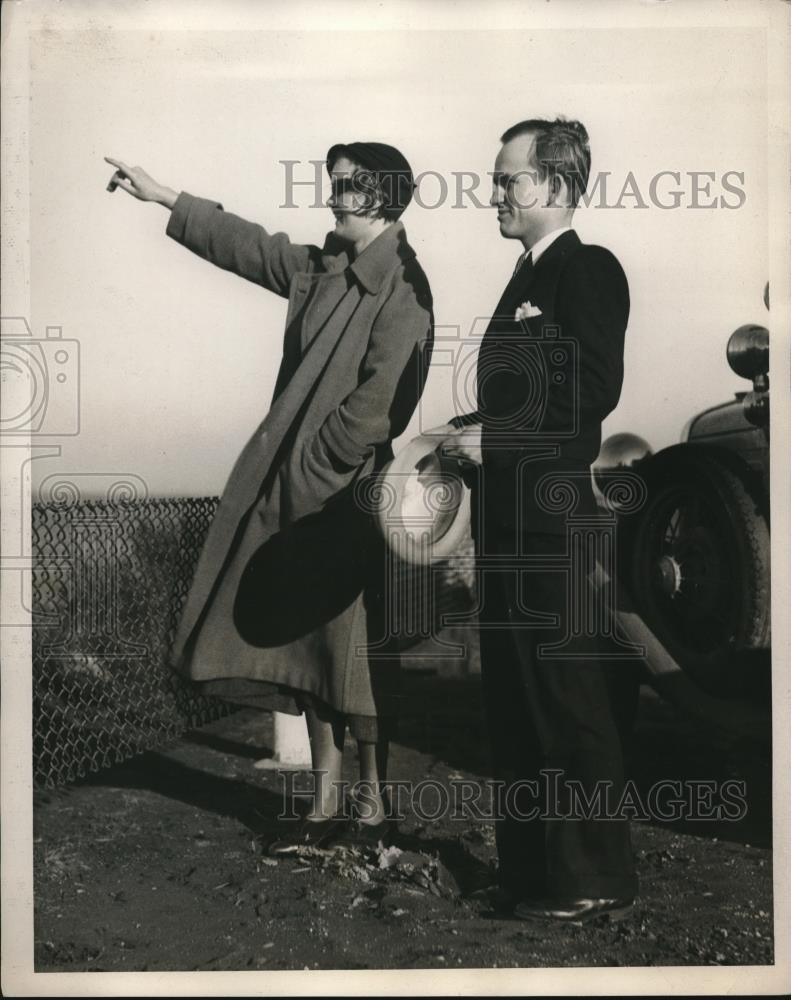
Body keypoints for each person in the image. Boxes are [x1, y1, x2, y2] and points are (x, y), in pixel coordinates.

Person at [104, 142, 433, 852]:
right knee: (304, 658)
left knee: (356, 663)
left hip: (345, 505)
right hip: (301, 498)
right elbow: (248, 246)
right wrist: (165, 196)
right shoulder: (324, 268)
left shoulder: (403, 289)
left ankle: (372, 809)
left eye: (343, 186)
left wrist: (316, 468)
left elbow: (379, 409)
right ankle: (322, 808)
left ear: (377, 196)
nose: (330, 196)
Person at [439, 117, 639, 922]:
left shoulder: (586, 269)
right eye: (495, 178)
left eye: (507, 179)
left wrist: (502, 440)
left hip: (551, 522)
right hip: (506, 524)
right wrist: (463, 435)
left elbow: (590, 396)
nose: (494, 192)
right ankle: (530, 876)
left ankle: (595, 877)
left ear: (553, 187)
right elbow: (523, 401)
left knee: (567, 701)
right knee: (514, 707)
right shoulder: (520, 278)